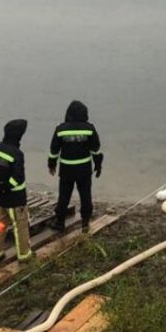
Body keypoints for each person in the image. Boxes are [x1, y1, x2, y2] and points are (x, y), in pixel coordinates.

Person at [48, 100, 103, 233]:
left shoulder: (61, 129)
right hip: (84, 168)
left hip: (66, 168)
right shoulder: (89, 129)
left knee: (64, 196)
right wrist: (98, 165)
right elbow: (95, 149)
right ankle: (85, 222)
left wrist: (51, 165)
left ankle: (60, 222)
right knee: (85, 195)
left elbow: (54, 150)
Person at [0, 119, 33, 261]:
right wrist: (5, 188)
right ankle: (24, 254)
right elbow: (17, 177)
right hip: (15, 198)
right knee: (20, 226)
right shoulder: (17, 154)